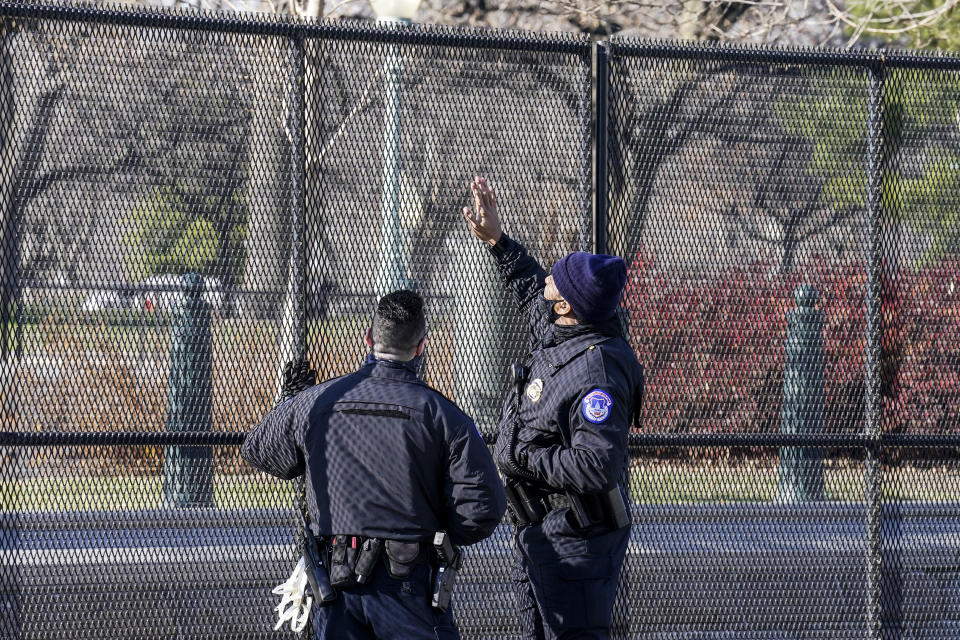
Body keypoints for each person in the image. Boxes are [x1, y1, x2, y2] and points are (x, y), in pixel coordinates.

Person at [242, 289, 507, 640]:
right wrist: (435, 533)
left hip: (336, 584)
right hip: (409, 580)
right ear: (421, 346)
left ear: (368, 338)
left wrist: (288, 402)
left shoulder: (317, 402)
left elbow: (259, 450)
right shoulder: (442, 415)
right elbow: (484, 507)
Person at [462, 177, 644, 640]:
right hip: (542, 533)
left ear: (567, 304)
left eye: (557, 278)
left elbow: (596, 466)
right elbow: (529, 286)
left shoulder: (597, 372)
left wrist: (521, 454)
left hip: (578, 544)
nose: (548, 276)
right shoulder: (566, 328)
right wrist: (497, 241)